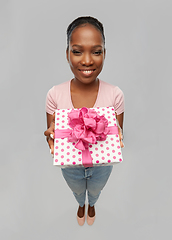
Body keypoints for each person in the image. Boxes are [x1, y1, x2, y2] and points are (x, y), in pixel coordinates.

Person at [44, 16, 124, 226]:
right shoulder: (54, 94)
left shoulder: (115, 94)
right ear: (67, 54)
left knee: (96, 189)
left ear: (104, 54)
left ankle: (93, 203)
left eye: (96, 52)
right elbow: (52, 133)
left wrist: (119, 134)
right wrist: (51, 137)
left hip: (102, 165)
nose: (87, 60)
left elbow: (118, 131)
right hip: (69, 166)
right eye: (77, 51)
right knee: (77, 189)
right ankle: (81, 204)